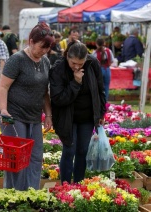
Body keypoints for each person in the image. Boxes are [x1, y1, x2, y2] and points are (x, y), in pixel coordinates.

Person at [0, 22, 54, 190]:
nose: (44, 51)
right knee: (17, 158)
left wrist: (48, 115)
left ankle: (32, 194)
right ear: (30, 41)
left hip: (34, 117)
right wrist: (4, 110)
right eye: (41, 47)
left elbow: (44, 92)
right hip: (14, 117)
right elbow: (3, 86)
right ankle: (15, 195)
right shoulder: (17, 60)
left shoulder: (45, 62)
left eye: (47, 48)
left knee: (36, 157)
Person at [50, 41, 106, 184]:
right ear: (67, 56)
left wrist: (101, 112)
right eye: (73, 63)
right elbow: (58, 98)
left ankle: (78, 184)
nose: (77, 66)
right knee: (69, 150)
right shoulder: (58, 68)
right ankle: (65, 186)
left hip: (87, 116)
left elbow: (100, 89)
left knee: (83, 151)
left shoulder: (93, 64)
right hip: (66, 117)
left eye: (80, 64)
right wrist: (75, 82)